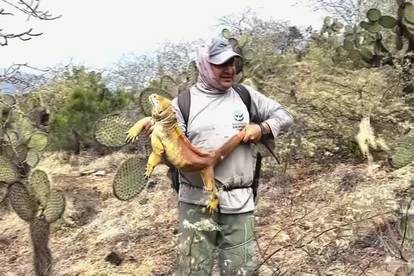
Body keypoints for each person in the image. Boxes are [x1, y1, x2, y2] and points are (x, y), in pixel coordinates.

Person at [170, 37, 294, 276]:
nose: (229, 70)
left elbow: (285, 115)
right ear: (204, 65)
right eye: (220, 64)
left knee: (241, 271)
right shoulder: (182, 104)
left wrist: (263, 128)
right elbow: (172, 150)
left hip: (239, 203)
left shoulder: (245, 95)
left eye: (233, 63)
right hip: (196, 203)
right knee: (192, 271)